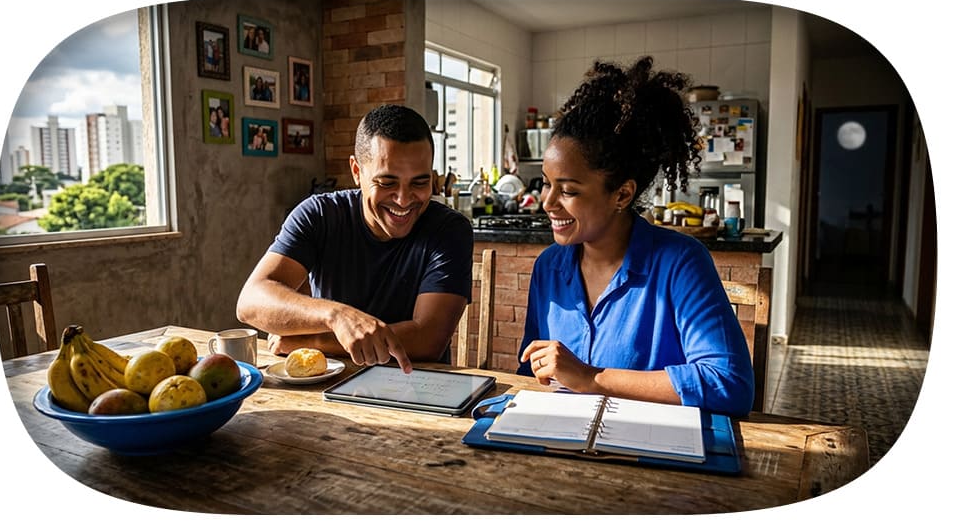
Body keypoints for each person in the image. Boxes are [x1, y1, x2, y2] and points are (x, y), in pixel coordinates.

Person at [517, 57, 755, 417]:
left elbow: (729, 383)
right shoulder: (549, 266)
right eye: (547, 184)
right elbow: (530, 374)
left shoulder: (680, 263)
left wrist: (592, 378)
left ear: (622, 195)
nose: (548, 203)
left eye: (567, 190)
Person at [236, 104, 474, 373]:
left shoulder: (450, 229)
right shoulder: (318, 214)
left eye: (420, 183)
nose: (404, 199)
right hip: (328, 386)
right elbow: (250, 302)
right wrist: (337, 316)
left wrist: (309, 341)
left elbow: (427, 339)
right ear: (357, 172)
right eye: (387, 183)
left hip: (418, 387)